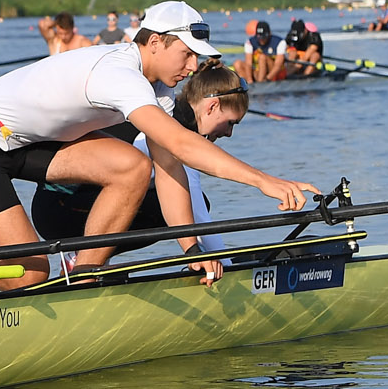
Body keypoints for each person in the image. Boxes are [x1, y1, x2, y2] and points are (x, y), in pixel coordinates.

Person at [0, 0, 320, 291]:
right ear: (154, 42)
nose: (191, 67)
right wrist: (263, 180)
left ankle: (84, 279)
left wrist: (191, 249)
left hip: (30, 143)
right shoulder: (119, 74)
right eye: (186, 54)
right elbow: (181, 143)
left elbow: (171, 169)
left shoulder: (161, 94)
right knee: (29, 273)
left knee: (136, 167)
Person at [27, 64, 253, 280]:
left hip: (65, 205)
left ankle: (89, 259)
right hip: (60, 209)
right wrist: (224, 267)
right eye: (230, 123)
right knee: (180, 204)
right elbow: (197, 214)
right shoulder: (175, 129)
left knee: (177, 203)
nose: (229, 133)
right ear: (212, 107)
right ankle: (82, 260)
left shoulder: (166, 112)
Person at [242, 18, 279, 83]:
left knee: (262, 57)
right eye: (259, 37)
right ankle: (246, 84)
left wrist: (268, 78)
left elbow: (277, 66)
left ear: (269, 33)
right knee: (237, 63)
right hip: (258, 70)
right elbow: (248, 64)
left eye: (264, 36)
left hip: (273, 72)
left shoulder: (278, 42)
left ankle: (260, 82)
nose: (261, 39)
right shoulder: (250, 42)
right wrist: (249, 79)